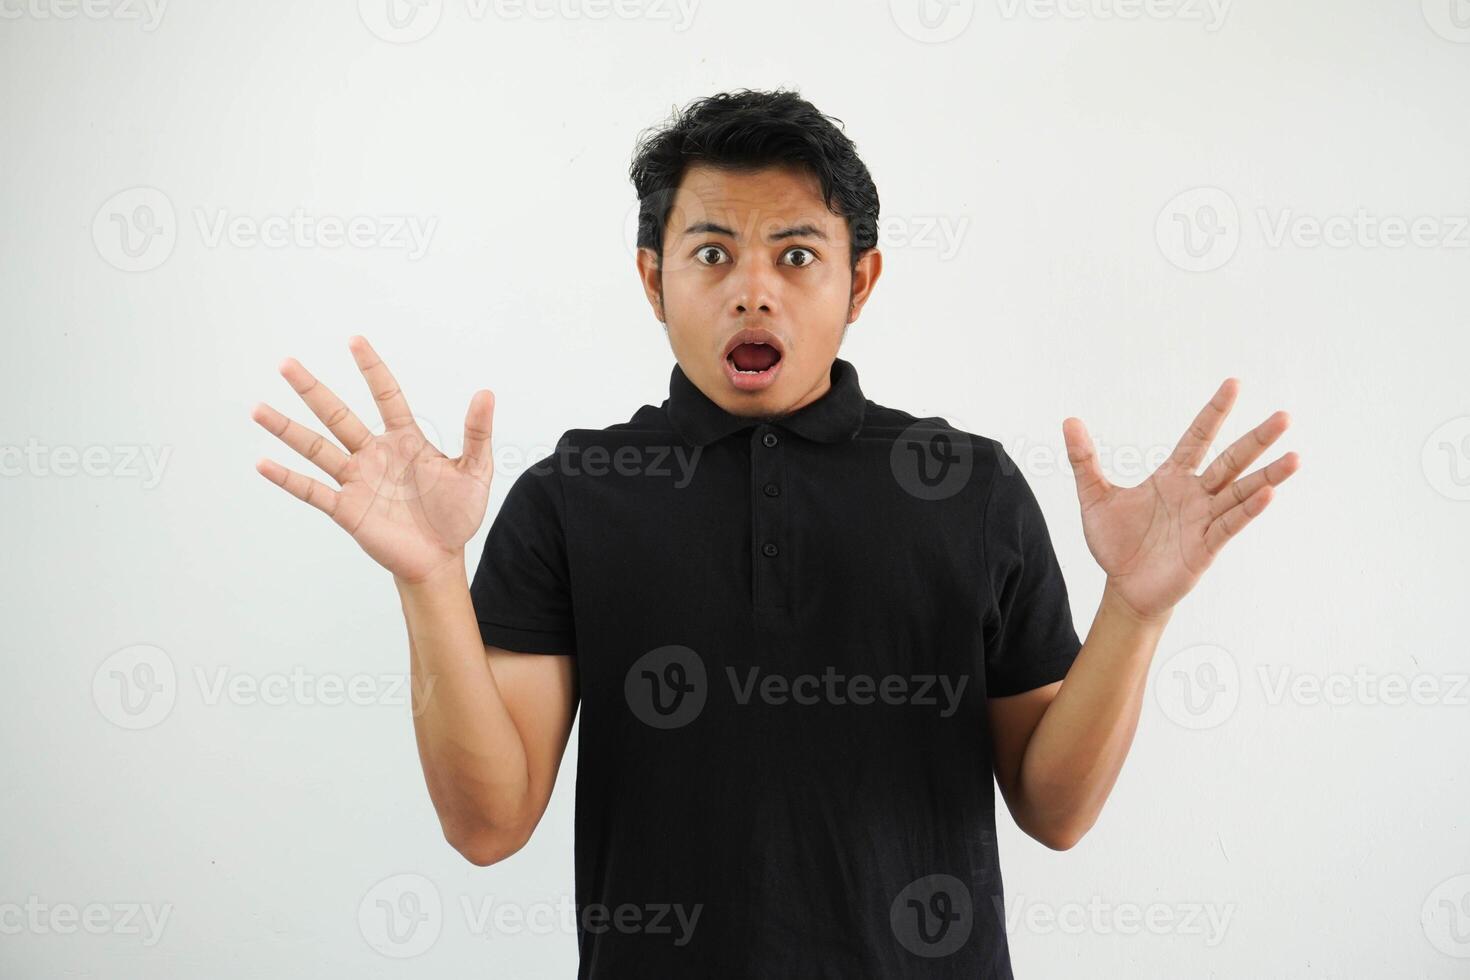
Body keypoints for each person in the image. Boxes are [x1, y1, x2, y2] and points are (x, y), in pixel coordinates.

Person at [250, 88, 1299, 978]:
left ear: (862, 281)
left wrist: (1137, 608)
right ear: (653, 278)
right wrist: (431, 577)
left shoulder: (967, 486)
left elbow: (1055, 807)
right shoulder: (573, 494)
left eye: (798, 254)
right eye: (713, 252)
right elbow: (488, 824)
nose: (755, 286)